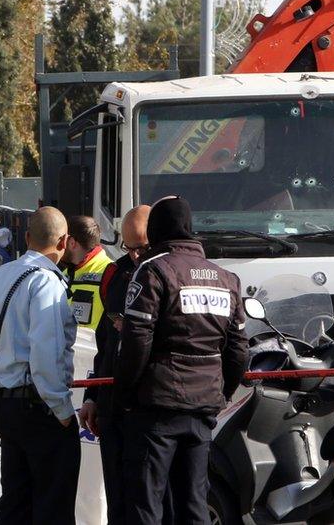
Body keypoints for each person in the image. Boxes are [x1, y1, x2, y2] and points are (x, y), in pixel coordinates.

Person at [117, 196, 249, 525]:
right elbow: (238, 351)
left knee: (146, 506)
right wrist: (221, 394)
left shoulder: (152, 271)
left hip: (156, 409)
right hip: (203, 409)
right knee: (194, 502)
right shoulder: (226, 279)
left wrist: (126, 395)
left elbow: (136, 343)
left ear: (157, 230)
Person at [0, 206, 80, 525]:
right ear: (65, 241)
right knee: (53, 506)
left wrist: (0, 355)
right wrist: (62, 409)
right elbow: (45, 354)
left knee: (15, 501)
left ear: (26, 238)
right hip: (41, 408)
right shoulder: (47, 283)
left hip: (7, 406)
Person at [77, 205, 175, 525]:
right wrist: (92, 395)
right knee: (118, 500)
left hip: (156, 408)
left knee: (156, 503)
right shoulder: (116, 275)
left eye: (141, 247)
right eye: (128, 247)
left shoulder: (173, 274)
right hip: (115, 407)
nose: (134, 256)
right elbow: (104, 343)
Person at [64, 216, 113, 332]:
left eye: (61, 241)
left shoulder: (110, 273)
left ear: (71, 243)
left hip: (96, 349)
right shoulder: (65, 274)